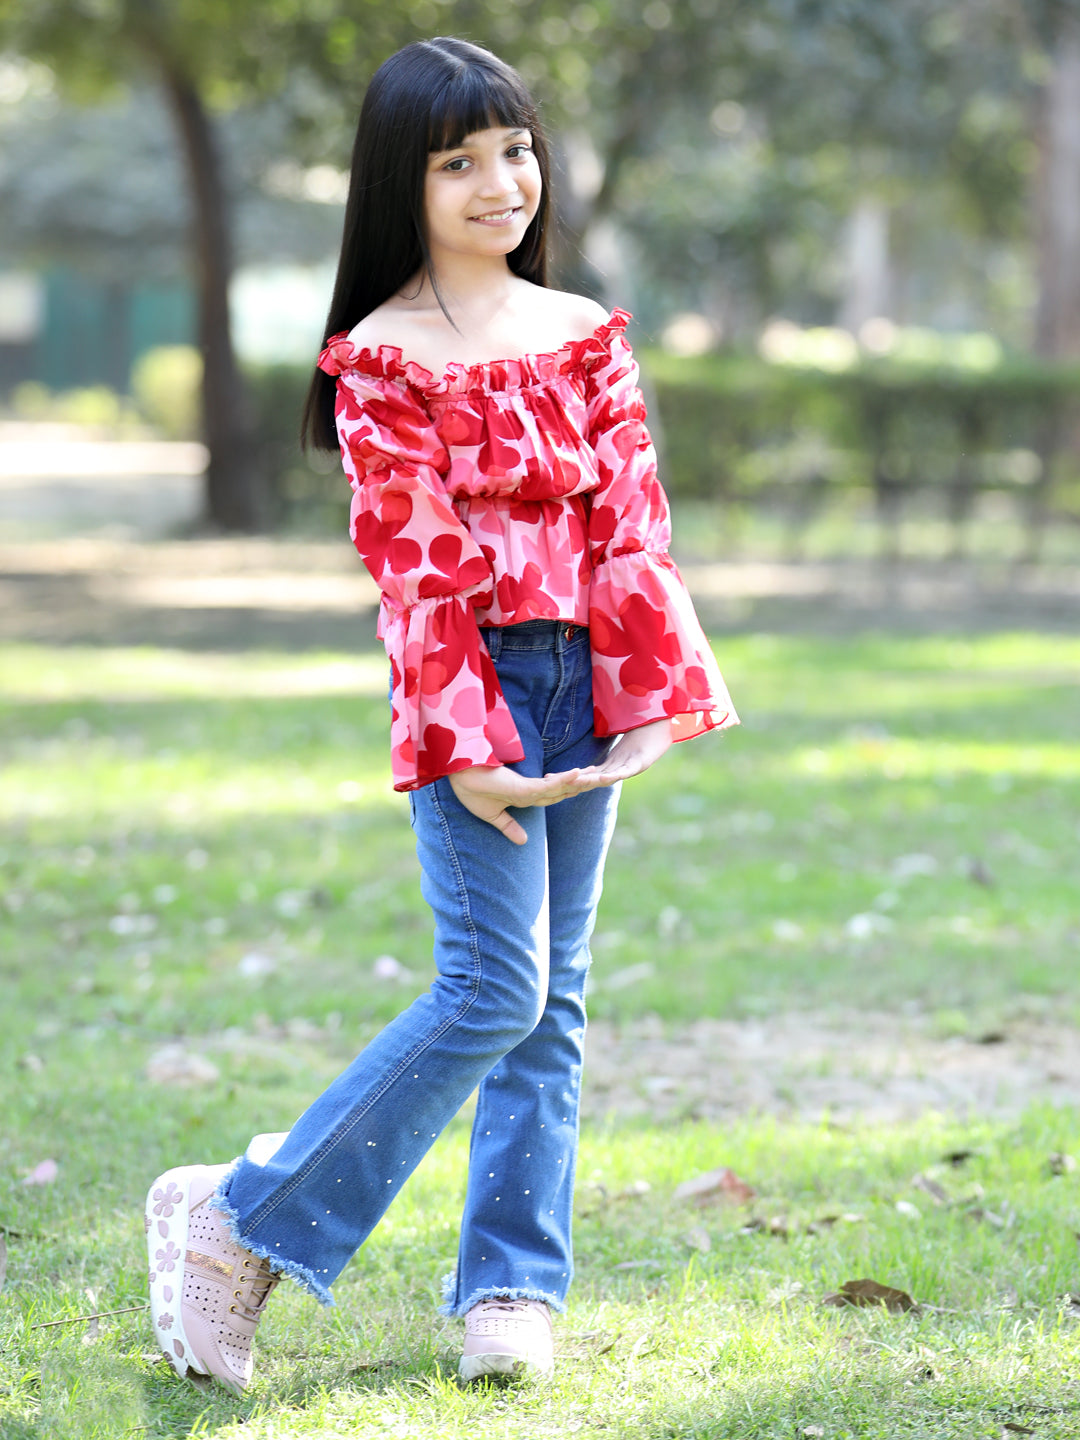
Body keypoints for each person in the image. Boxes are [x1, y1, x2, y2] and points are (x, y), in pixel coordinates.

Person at [145, 35, 737, 1394]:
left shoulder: (584, 333)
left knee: (555, 1003)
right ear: (395, 186)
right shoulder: (379, 359)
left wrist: (652, 699)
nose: (499, 183)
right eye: (458, 160)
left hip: (587, 681)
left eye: (515, 149)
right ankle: (238, 1223)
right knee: (493, 987)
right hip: (469, 685)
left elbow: (632, 526)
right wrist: (465, 745)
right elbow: (415, 569)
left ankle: (513, 1288)